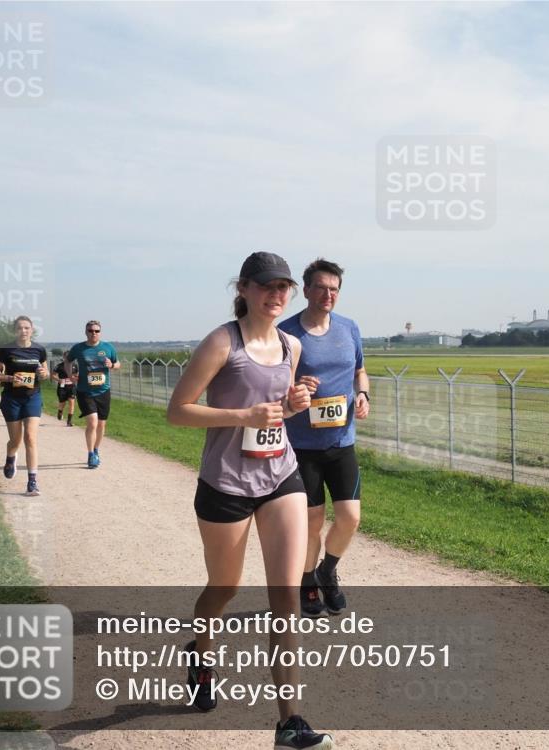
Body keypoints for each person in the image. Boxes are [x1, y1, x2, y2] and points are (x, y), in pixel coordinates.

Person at [167, 251, 332, 750]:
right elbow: (178, 412)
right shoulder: (222, 342)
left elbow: (276, 410)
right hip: (226, 485)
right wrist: (244, 416)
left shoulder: (290, 346)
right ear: (243, 288)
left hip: (281, 476)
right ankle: (201, 651)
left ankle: (290, 722)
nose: (277, 295)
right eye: (267, 286)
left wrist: (293, 404)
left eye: (284, 287)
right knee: (225, 587)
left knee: (285, 596)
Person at [278, 259, 368, 618]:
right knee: (312, 522)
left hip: (342, 443)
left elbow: (361, 371)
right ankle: (307, 583)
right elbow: (271, 384)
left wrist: (363, 395)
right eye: (321, 287)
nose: (329, 294)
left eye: (335, 289)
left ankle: (327, 570)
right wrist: (295, 389)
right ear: (307, 289)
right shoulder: (286, 333)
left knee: (350, 517)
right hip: (302, 446)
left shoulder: (349, 328)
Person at [0, 316, 48, 497]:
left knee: (30, 438)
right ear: (15, 331)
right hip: (12, 399)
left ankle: (32, 482)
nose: (24, 331)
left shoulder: (39, 350)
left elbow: (46, 374)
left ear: (32, 330)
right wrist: (9, 378)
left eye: (27, 328)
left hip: (32, 397)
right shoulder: (7, 350)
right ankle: (10, 457)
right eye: (20, 328)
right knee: (15, 441)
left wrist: (44, 373)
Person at [65, 321, 120, 468]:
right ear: (86, 332)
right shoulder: (78, 348)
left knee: (101, 425)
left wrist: (112, 365)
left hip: (103, 391)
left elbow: (118, 364)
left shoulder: (108, 348)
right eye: (90, 330)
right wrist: (70, 376)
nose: (93, 333)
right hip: (85, 391)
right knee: (92, 422)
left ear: (100, 332)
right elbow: (67, 361)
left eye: (96, 331)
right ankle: (90, 455)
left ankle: (96, 449)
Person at [51, 354, 77, 427]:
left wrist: (75, 378)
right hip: (62, 387)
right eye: (66, 357)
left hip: (72, 387)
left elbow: (76, 375)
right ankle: (60, 411)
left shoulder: (75, 365)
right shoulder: (59, 366)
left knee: (72, 403)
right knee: (62, 403)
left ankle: (69, 421)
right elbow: (53, 375)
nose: (68, 358)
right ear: (64, 357)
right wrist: (58, 380)